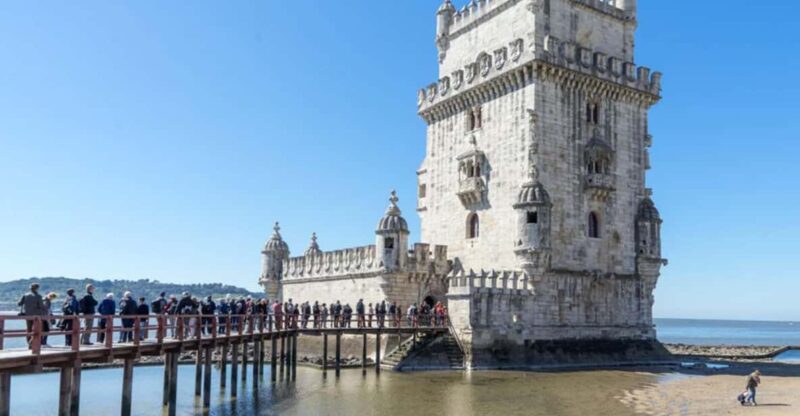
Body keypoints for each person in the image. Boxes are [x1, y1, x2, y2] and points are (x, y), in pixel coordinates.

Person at [18, 284, 46, 349]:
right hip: (37, 316)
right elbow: (41, 306)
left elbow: (19, 303)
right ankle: (32, 343)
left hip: (27, 315)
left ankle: (29, 343)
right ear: (37, 288)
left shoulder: (25, 295)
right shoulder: (38, 296)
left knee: (29, 329)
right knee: (37, 330)